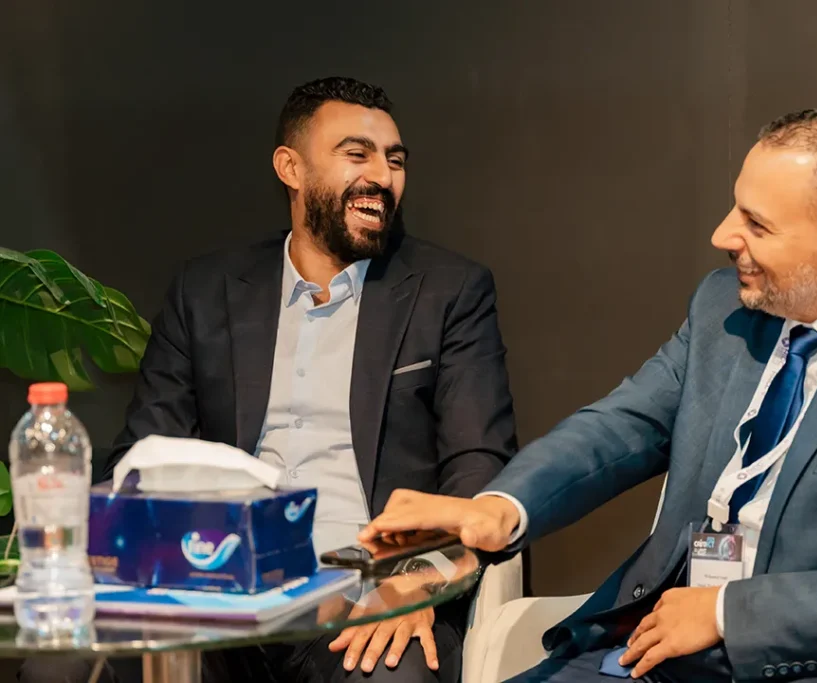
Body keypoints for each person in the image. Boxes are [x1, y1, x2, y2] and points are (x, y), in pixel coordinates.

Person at [361, 108, 817, 682]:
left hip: (798, 664)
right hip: (650, 647)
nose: (723, 235)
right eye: (736, 207)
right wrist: (500, 508)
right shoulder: (723, 307)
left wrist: (728, 613)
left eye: (756, 224)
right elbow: (621, 426)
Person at [20, 76, 516, 683]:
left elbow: (479, 468)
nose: (382, 177)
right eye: (356, 154)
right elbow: (144, 454)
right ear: (291, 168)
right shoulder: (206, 291)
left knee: (391, 673)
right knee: (61, 668)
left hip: (364, 595)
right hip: (214, 589)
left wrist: (416, 580)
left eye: (394, 160)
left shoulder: (449, 291)